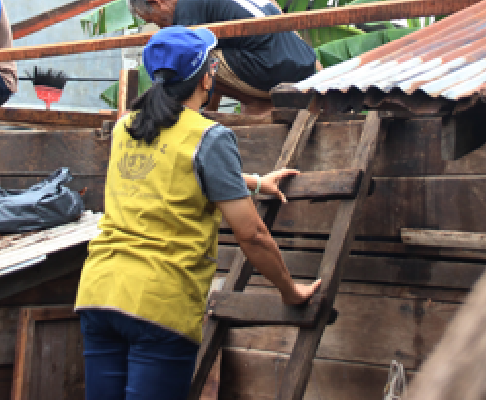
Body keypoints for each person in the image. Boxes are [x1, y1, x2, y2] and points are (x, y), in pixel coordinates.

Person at [74, 26, 320, 400]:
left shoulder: (127, 127)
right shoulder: (209, 136)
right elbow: (251, 234)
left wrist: (253, 182)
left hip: (99, 291)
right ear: (207, 77)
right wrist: (291, 290)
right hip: (159, 302)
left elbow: (169, 168)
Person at [126, 0, 318, 113]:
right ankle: (250, 102)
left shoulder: (187, 10)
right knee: (207, 54)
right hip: (305, 65)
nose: (161, 27)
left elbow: (199, 66)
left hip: (276, 69)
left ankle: (258, 103)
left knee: (190, 62)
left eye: (155, 20)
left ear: (156, 3)